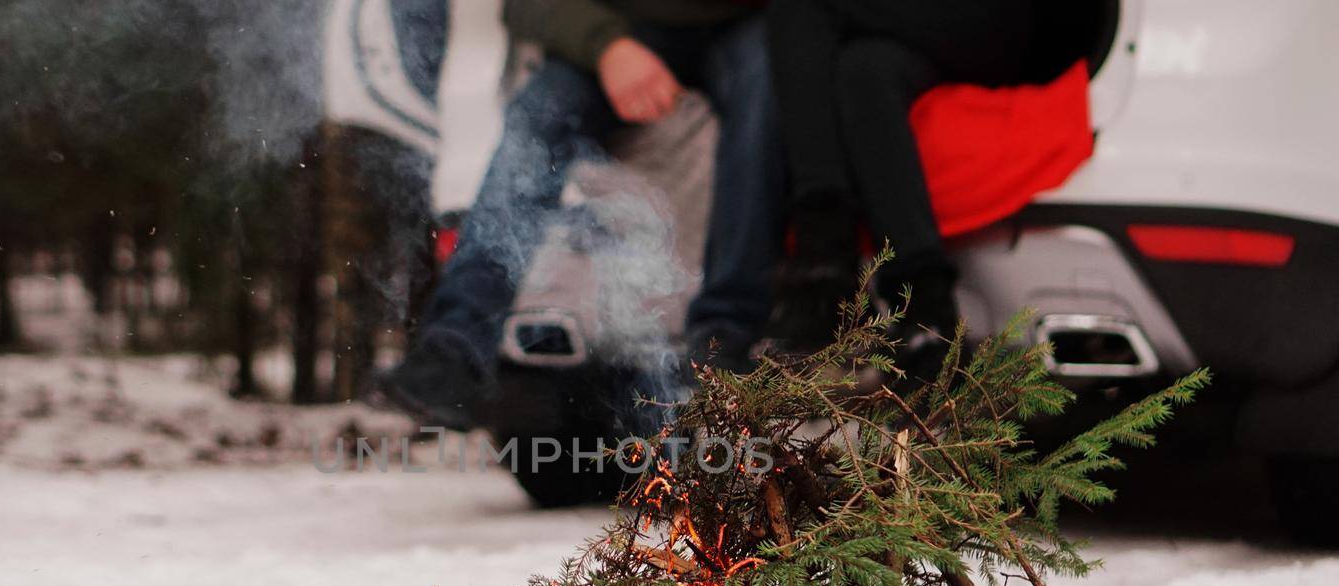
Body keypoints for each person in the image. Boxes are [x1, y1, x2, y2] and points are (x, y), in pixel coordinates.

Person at [378, 0, 786, 430]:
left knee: (768, 102)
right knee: (538, 113)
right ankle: (456, 347)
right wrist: (608, 47)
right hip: (611, 28)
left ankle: (724, 343)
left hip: (746, 25)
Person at [765, 0, 1102, 367]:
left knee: (800, 7)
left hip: (1004, 22)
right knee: (863, 71)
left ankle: (824, 267)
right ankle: (925, 312)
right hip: (926, 27)